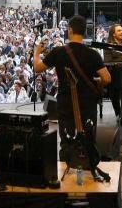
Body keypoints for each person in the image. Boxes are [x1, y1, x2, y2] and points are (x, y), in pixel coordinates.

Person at [33, 15, 111, 145]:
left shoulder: (58, 52)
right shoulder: (93, 54)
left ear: (69, 30)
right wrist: (96, 81)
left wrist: (37, 53)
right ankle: (87, 160)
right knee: (88, 140)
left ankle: (67, 159)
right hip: (87, 102)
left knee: (67, 141)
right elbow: (107, 78)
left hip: (66, 102)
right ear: (85, 31)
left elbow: (37, 68)